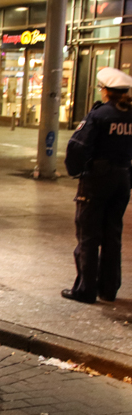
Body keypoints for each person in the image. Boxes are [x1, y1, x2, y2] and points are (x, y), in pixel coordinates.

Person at [61, 67, 132, 303]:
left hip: (97, 180)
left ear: (106, 91)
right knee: (113, 234)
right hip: (123, 179)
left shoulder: (99, 115)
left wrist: (77, 171)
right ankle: (109, 289)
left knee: (88, 234)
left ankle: (86, 289)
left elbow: (78, 146)